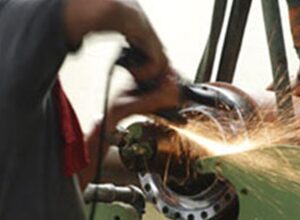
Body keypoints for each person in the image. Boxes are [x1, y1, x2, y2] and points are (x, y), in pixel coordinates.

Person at [0, 0, 181, 219]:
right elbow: (106, 7)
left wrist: (114, 117)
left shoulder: (29, 78)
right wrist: (157, 59)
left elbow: (58, 187)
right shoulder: (10, 25)